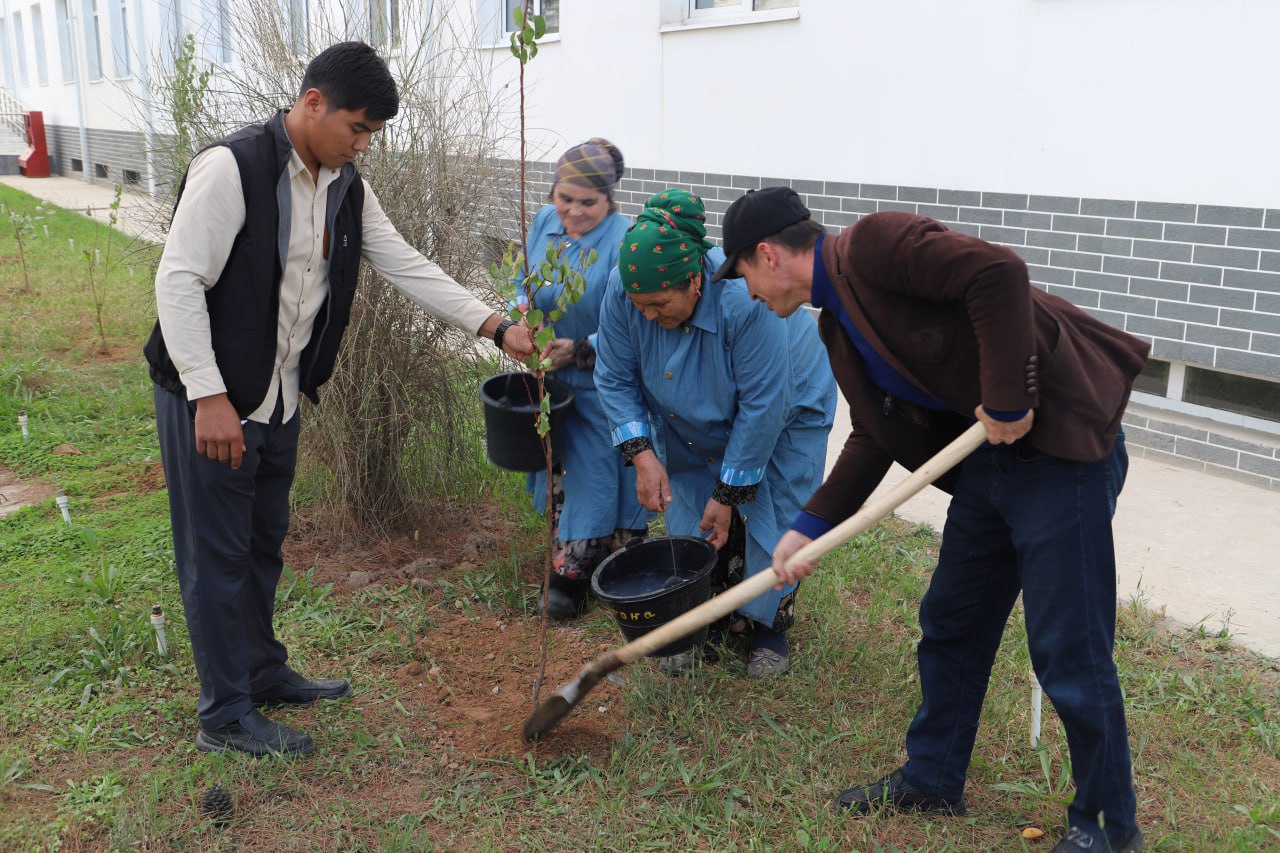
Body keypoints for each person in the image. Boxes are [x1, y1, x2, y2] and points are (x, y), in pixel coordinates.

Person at [716, 186, 1149, 851]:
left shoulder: (877, 244)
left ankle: (1106, 824)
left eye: (741, 272)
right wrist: (810, 525)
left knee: (1069, 645)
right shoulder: (836, 324)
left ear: (767, 255)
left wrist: (1007, 397)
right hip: (991, 465)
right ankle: (933, 777)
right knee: (952, 620)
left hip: (1059, 450)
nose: (746, 292)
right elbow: (875, 432)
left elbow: (997, 274)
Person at [143, 42, 534, 758]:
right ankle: (224, 713)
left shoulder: (344, 183)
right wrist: (208, 395)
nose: (362, 145)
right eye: (357, 128)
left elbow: (401, 260)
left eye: (371, 136)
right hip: (214, 401)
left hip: (281, 397)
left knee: (262, 545)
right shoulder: (232, 168)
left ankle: (260, 671)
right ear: (313, 102)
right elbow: (178, 281)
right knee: (216, 554)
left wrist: (495, 325)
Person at [594, 189, 836, 678]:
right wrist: (642, 454)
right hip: (688, 417)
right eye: (638, 305)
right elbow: (614, 375)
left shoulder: (744, 302)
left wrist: (728, 494)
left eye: (659, 305)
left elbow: (764, 407)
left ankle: (767, 627)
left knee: (771, 512)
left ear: (695, 281)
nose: (647, 316)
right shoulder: (626, 288)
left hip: (787, 408)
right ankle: (706, 618)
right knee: (691, 511)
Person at [519, 138, 651, 619]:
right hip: (549, 379)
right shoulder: (542, 223)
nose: (573, 212)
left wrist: (578, 349)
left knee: (600, 478)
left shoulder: (625, 241)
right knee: (558, 472)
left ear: (610, 200)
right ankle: (566, 567)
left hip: (603, 380)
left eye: (587, 203)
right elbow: (523, 282)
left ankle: (579, 579)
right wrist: (523, 325)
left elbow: (636, 321)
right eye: (565, 198)